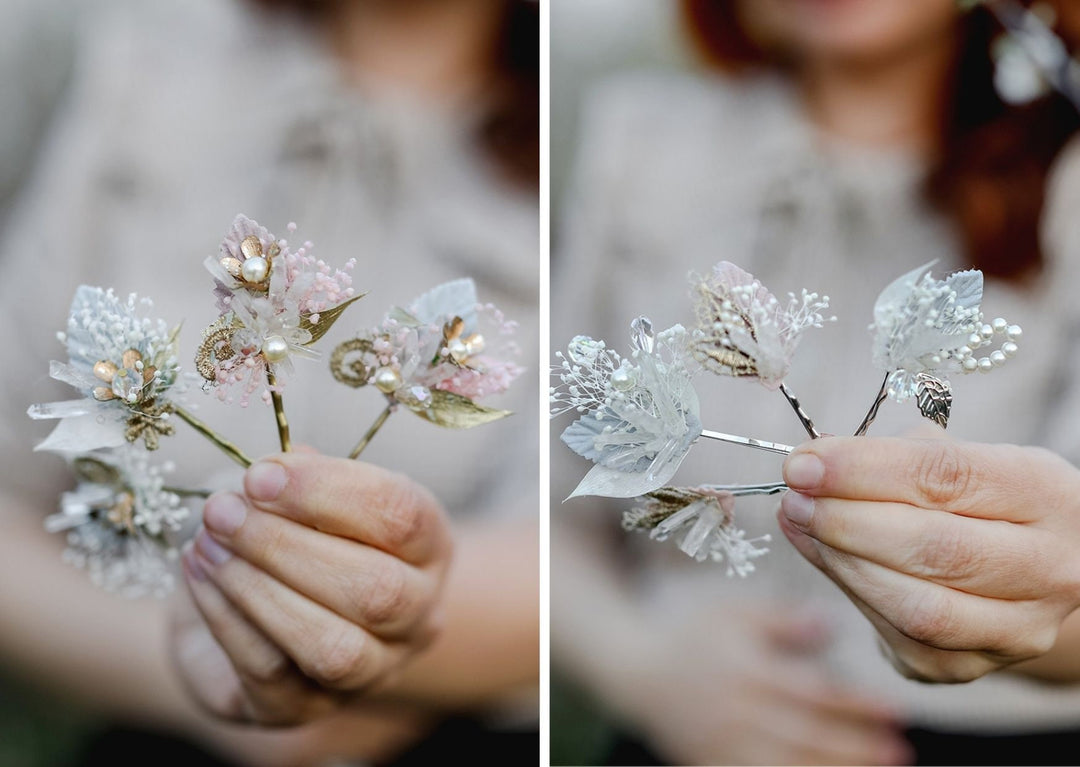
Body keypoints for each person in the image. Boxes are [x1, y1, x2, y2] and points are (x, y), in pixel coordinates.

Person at [0, 0, 538, 765]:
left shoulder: (560, 146)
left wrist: (391, 648)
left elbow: (567, 551)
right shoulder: (147, 75)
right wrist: (196, 661)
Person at [551, 1, 1080, 764]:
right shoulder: (640, 142)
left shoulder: (1064, 170)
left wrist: (983, 611)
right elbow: (550, 501)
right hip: (677, 734)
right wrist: (644, 667)